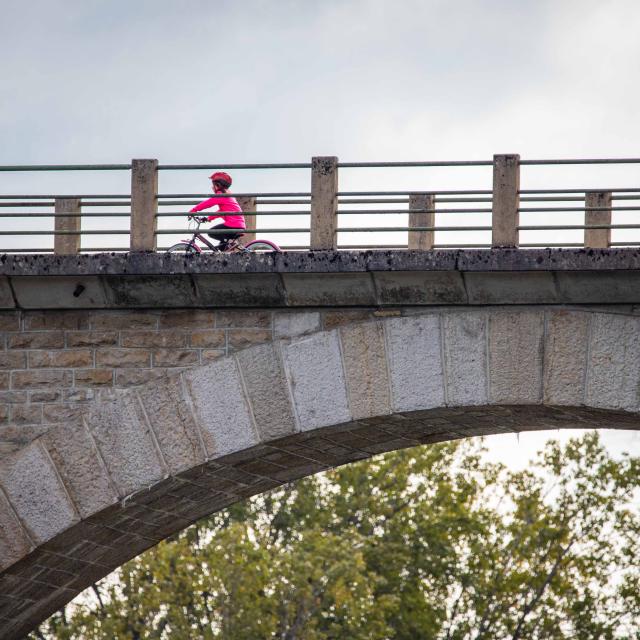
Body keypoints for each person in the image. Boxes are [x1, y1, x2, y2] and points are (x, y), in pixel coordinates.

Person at [189, 171, 245, 250]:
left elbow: (208, 203)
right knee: (222, 248)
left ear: (218, 185)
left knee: (211, 232)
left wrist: (193, 210)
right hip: (238, 225)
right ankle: (227, 247)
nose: (212, 187)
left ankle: (228, 243)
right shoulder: (227, 195)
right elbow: (221, 212)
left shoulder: (221, 195)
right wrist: (208, 218)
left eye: (213, 184)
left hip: (233, 225)